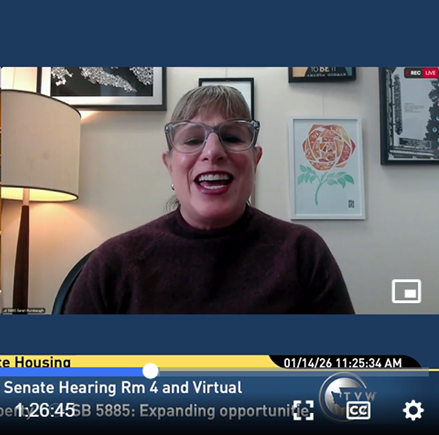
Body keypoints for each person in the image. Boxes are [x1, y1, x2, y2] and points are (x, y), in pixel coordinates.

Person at [64, 85, 355, 314]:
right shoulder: (113, 264)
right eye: (192, 140)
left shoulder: (304, 253)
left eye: (231, 137)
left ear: (256, 160)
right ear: (169, 165)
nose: (213, 151)